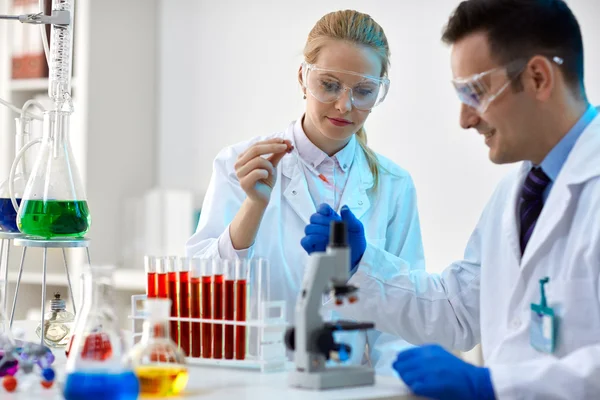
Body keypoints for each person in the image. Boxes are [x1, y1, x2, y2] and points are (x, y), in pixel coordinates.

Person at [334, 0, 600, 398]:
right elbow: (458, 307)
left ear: (539, 78)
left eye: (475, 92)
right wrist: (362, 265)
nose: (466, 118)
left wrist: (494, 386)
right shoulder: (514, 195)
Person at [186, 10, 426, 374]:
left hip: (348, 385)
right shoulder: (240, 164)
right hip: (255, 381)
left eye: (363, 91)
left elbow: (402, 317)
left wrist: (393, 389)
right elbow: (201, 293)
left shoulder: (394, 185)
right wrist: (254, 205)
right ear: (303, 77)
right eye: (329, 85)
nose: (345, 106)